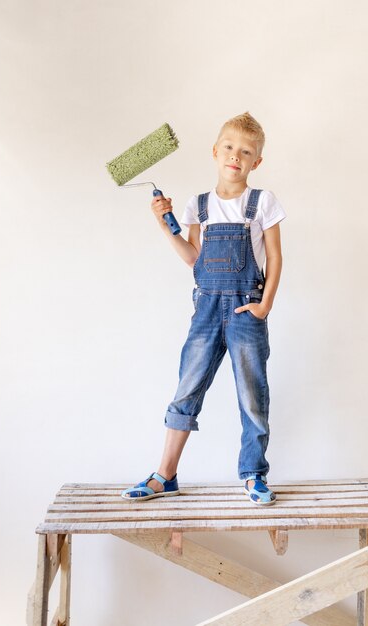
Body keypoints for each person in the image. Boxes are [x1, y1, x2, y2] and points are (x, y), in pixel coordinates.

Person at [122, 112, 286, 505]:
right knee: (187, 388)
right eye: (229, 148)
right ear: (215, 152)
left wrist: (264, 306)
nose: (236, 156)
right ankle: (166, 474)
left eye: (246, 152)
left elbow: (276, 258)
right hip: (207, 308)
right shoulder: (199, 205)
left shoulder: (262, 202)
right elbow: (194, 258)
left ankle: (253, 475)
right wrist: (166, 225)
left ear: (256, 162)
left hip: (246, 307)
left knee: (252, 394)